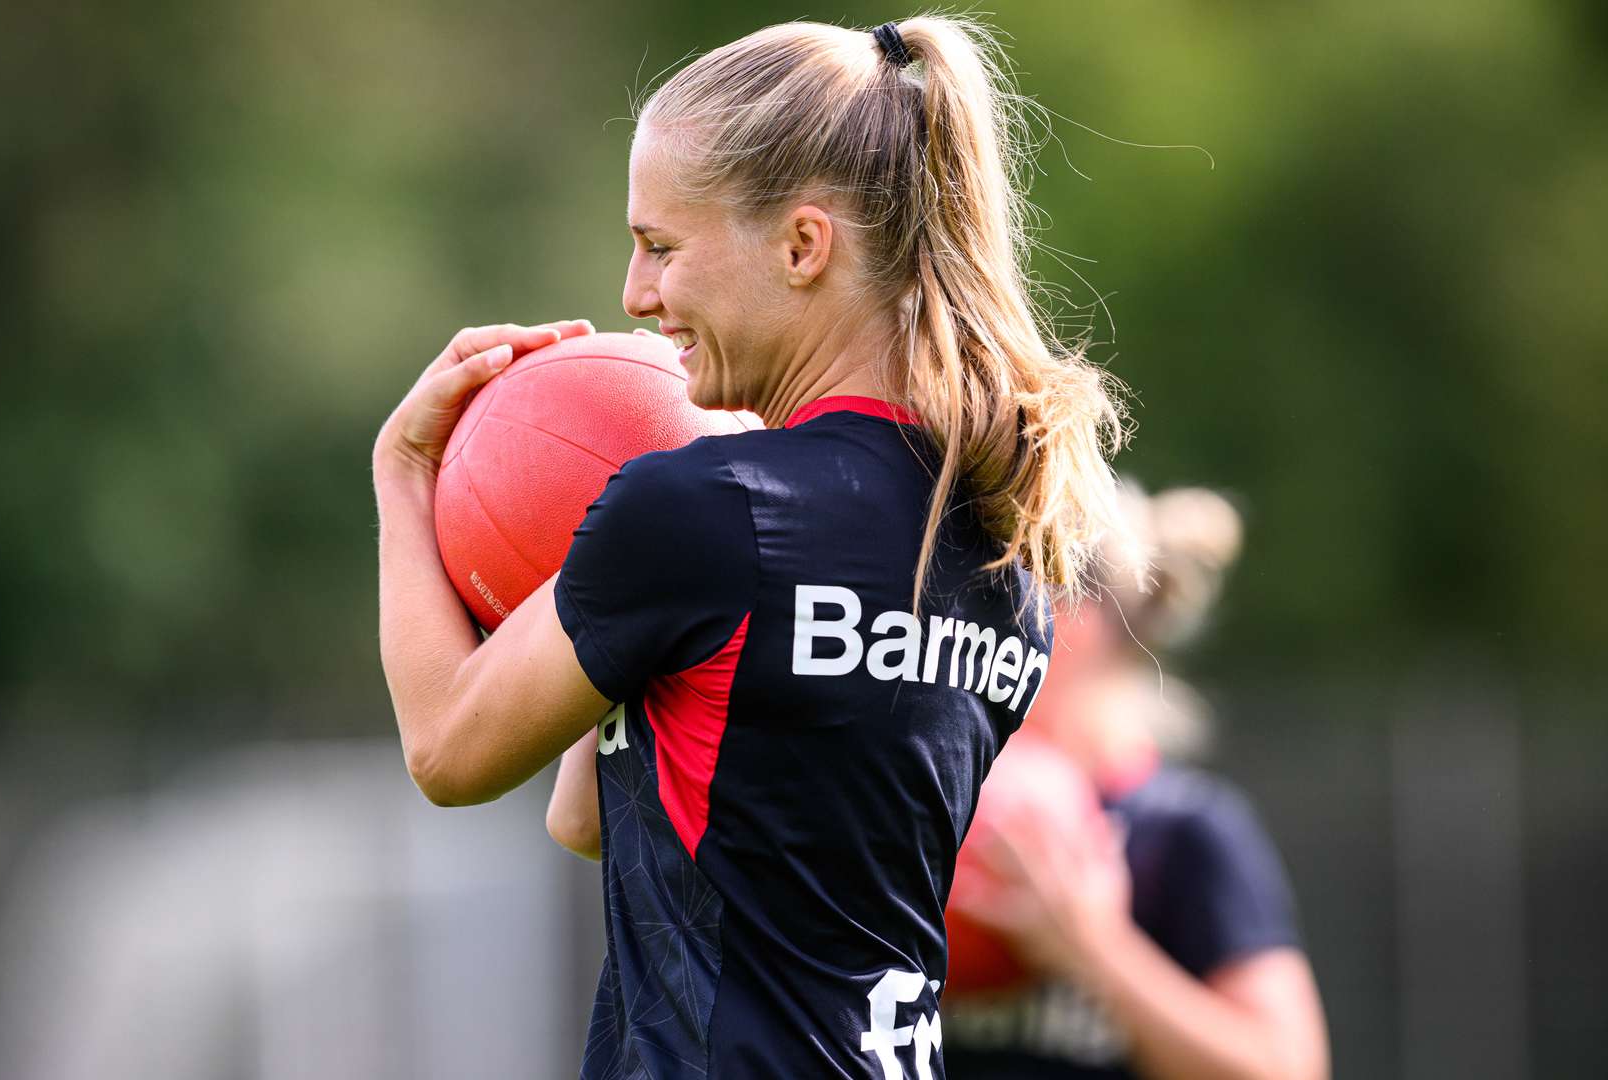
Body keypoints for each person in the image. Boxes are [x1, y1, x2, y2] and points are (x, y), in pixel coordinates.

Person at [374, 17, 1126, 1079]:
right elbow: (608, 817)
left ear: (803, 246)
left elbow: (450, 749)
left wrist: (403, 471)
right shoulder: (1012, 544)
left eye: (661, 246)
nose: (637, 293)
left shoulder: (706, 514)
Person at [941, 486, 1331, 1080]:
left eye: (996, 598)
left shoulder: (1185, 833)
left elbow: (1288, 1068)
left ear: (1079, 622)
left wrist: (1096, 951)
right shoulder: (947, 805)